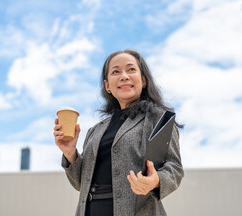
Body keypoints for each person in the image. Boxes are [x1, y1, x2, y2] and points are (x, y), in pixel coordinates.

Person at [54, 49, 183, 216]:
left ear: (143, 80)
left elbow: (174, 168)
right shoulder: (95, 130)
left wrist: (155, 180)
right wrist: (70, 152)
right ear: (107, 86)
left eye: (131, 69)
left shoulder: (158, 119)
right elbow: (81, 184)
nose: (124, 76)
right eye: (116, 71)